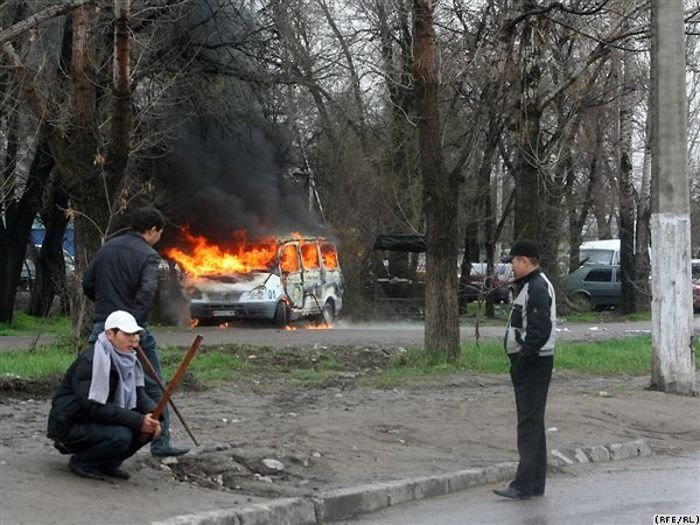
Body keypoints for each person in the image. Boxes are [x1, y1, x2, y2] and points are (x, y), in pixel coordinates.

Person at [82, 206, 189, 457]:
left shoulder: (107, 248)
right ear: (152, 230)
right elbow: (146, 293)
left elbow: (88, 282)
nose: (159, 237)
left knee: (93, 385)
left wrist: (105, 311)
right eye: (159, 232)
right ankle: (161, 444)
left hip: (102, 327)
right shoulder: (148, 255)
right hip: (131, 328)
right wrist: (133, 327)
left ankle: (89, 440)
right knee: (153, 387)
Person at [47, 310, 162, 480]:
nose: (135, 339)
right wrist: (138, 421)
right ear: (110, 334)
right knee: (122, 435)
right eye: (128, 334)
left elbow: (138, 394)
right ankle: (82, 462)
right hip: (72, 423)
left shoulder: (129, 359)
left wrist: (153, 414)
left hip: (97, 419)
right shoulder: (92, 361)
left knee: (149, 429)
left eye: (136, 333)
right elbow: (94, 406)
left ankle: (107, 464)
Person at [493, 240, 556, 500]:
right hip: (534, 362)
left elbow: (540, 331)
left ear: (526, 260)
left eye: (514, 261)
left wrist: (522, 362)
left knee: (528, 424)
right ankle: (534, 483)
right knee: (534, 423)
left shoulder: (537, 287)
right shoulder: (532, 285)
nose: (512, 266)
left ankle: (522, 485)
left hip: (533, 363)